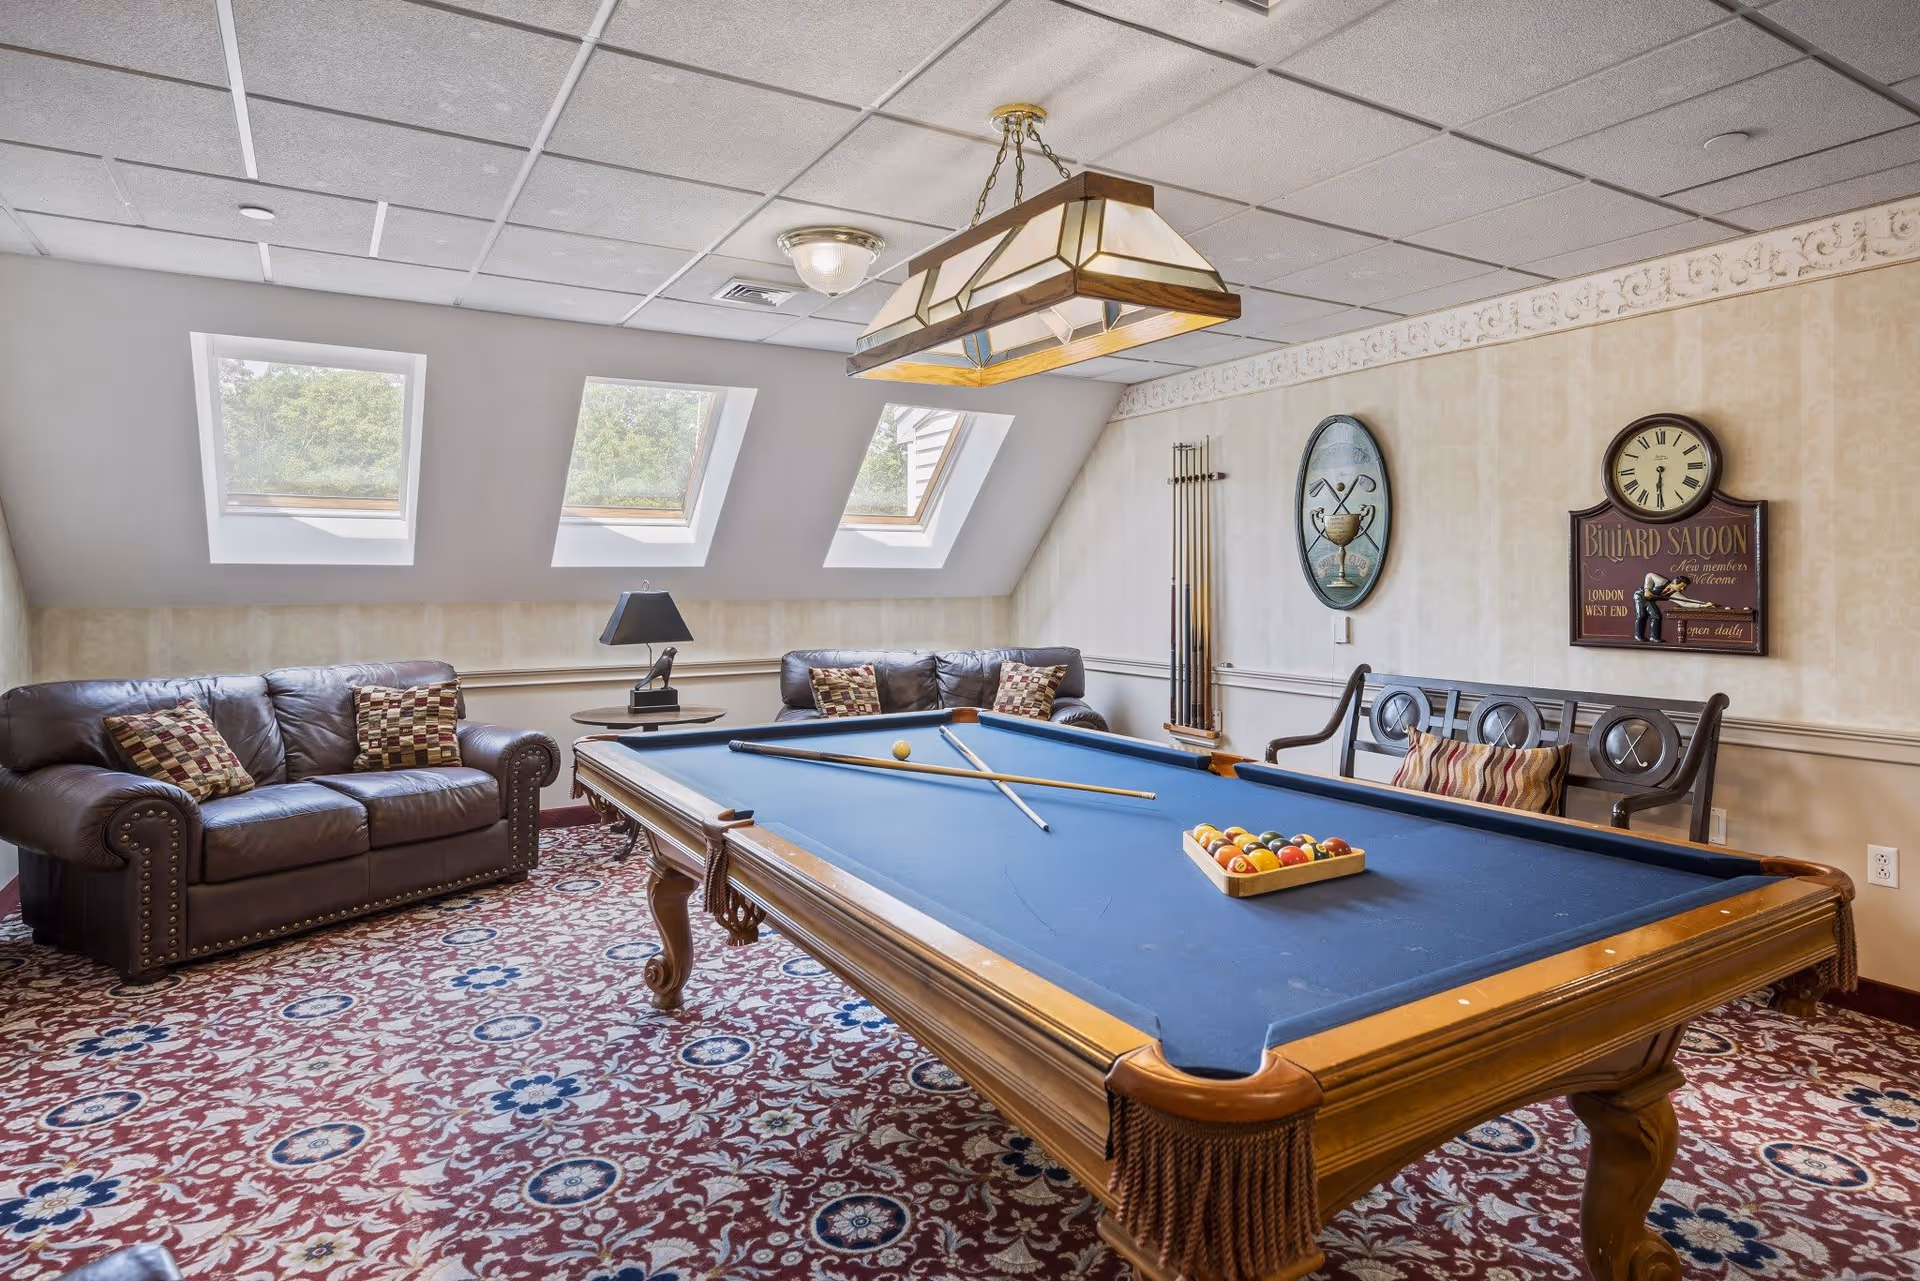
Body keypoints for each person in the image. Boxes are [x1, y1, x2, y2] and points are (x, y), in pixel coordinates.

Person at [1634, 572, 1714, 644]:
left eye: (1684, 587)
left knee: (1656, 616)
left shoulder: (1674, 594)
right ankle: (1639, 636)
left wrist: (1703, 604)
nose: (1682, 589)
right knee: (1642, 615)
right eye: (1682, 586)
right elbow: (1650, 575)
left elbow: (1685, 602)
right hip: (1640, 596)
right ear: (1675, 582)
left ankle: (1654, 637)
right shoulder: (1662, 581)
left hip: (1650, 600)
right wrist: (1647, 590)